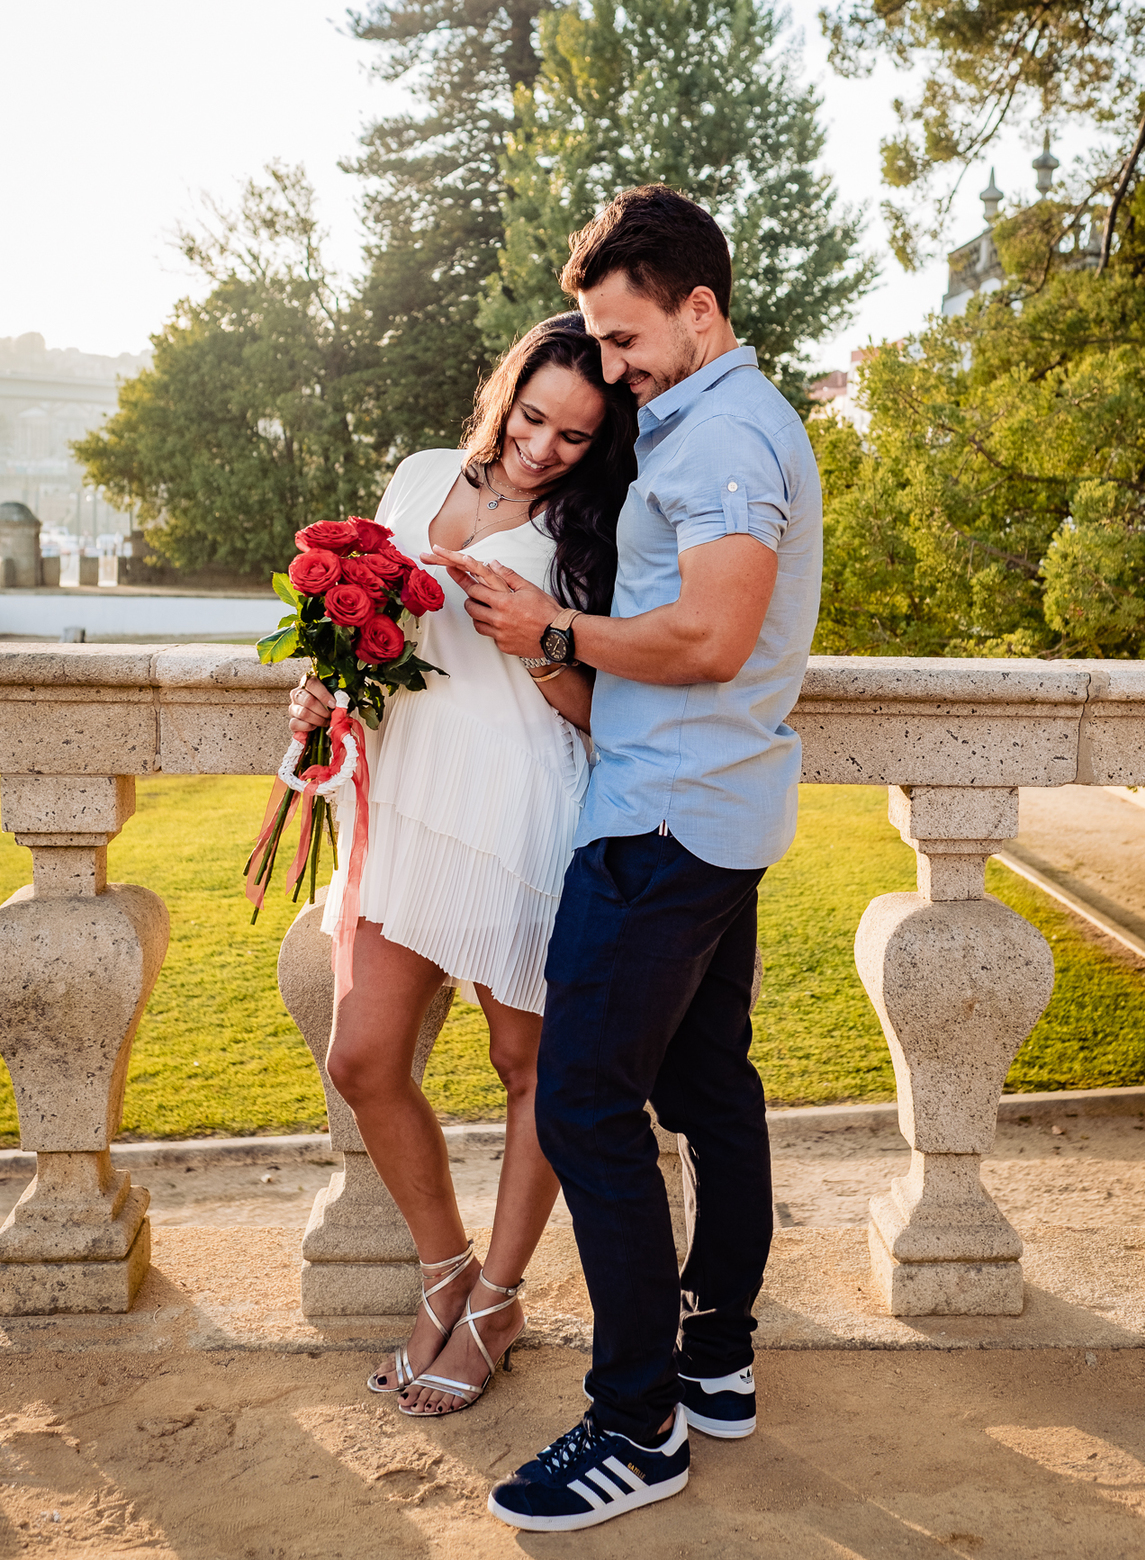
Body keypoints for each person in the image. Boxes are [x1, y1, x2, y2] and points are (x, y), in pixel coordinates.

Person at [430, 185, 822, 1532]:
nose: (607, 365)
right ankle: (716, 1359)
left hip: (661, 820)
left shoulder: (724, 440)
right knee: (710, 1087)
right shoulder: (730, 420)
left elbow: (711, 637)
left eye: (624, 337)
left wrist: (552, 633)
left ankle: (638, 1424)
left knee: (587, 1105)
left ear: (699, 308)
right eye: (597, 339)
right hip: (717, 811)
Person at [286, 313, 636, 1419]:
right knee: (361, 1058)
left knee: (528, 1065)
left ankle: (494, 1300)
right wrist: (327, 682)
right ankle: (445, 1268)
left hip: (520, 807)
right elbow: (373, 640)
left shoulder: (594, 529)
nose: (542, 449)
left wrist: (538, 641)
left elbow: (604, 713)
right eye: (532, 418)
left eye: (574, 437)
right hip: (404, 798)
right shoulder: (421, 474)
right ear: (506, 393)